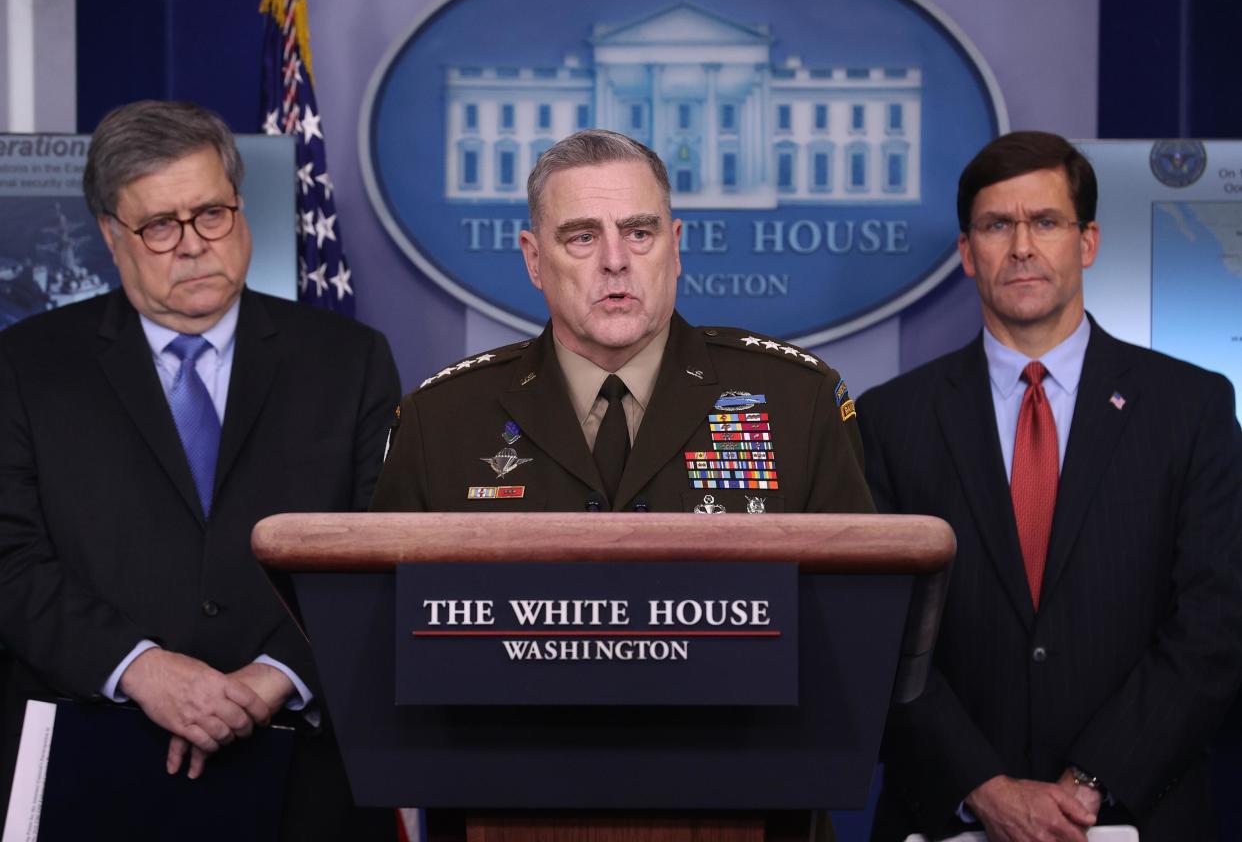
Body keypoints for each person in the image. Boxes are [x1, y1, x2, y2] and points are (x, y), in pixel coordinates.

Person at [0, 100, 399, 838]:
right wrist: (141, 668)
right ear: (110, 238)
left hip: (303, 771)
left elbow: (378, 552)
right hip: (97, 753)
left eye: (211, 212)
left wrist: (272, 677)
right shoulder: (26, 366)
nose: (192, 245)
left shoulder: (350, 361)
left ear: (242, 211)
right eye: (159, 225)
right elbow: (10, 558)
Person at [860, 131, 1242, 841]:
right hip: (947, 818)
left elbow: (1216, 626)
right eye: (997, 225)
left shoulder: (1190, 408)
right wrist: (986, 788)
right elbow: (877, 634)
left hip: (1138, 816)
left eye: (1045, 222)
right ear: (969, 253)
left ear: (1087, 242)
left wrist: (1087, 785)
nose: (1022, 247)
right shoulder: (889, 420)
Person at [371, 129, 872, 517]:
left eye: (638, 232)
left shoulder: (799, 402)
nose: (615, 260)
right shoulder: (439, 420)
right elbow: (391, 630)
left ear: (674, 247)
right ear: (534, 260)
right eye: (582, 237)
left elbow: (852, 618)